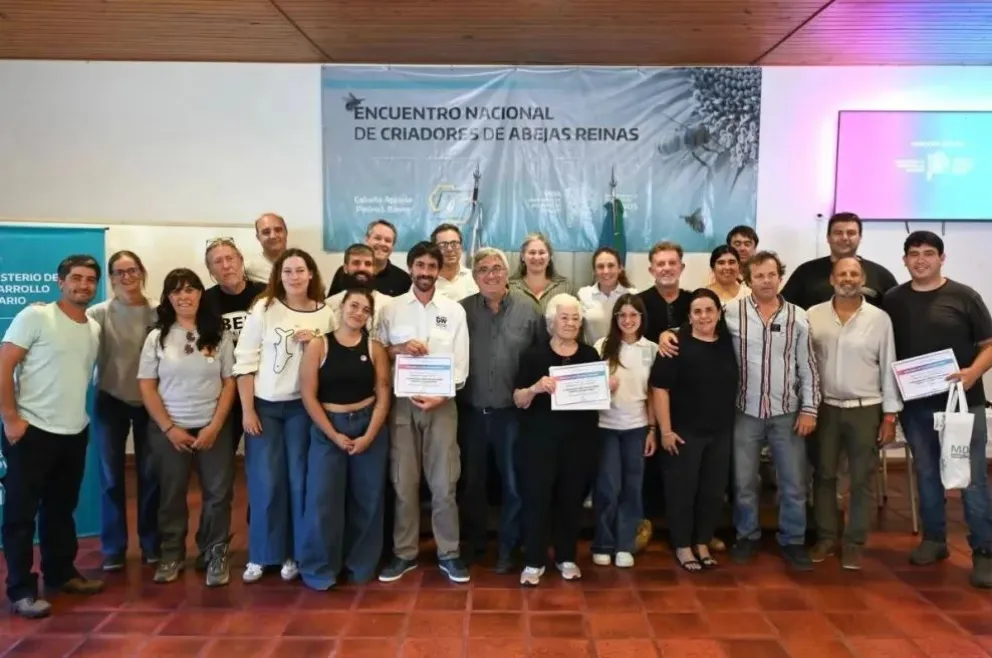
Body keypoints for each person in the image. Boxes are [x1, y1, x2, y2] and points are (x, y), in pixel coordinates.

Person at [660, 251, 821, 570]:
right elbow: (695, 325)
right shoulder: (731, 312)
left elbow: (808, 366)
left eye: (771, 274)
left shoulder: (798, 317)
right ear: (748, 279)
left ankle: (793, 540)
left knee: (793, 482)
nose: (765, 280)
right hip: (744, 411)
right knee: (744, 482)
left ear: (780, 277)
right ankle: (747, 535)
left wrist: (810, 409)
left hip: (786, 412)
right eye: (758, 275)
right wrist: (667, 334)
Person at [883, 231, 992, 588]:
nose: (921, 260)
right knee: (927, 475)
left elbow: (989, 345)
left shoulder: (964, 297)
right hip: (916, 407)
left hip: (963, 406)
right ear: (904, 260)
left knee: (972, 479)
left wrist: (973, 373)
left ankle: (984, 551)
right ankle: (934, 540)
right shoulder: (893, 300)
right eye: (914, 254)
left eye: (929, 253)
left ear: (942, 258)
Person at [0, 255, 105, 619]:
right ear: (60, 282)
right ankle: (21, 590)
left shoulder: (92, 328)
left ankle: (61, 574)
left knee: (61, 511)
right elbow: (4, 364)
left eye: (91, 279)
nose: (83, 285)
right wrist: (11, 418)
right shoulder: (36, 317)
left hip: (73, 432)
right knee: (20, 516)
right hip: (31, 432)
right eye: (76, 278)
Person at [234, 248, 333, 584]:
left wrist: (317, 343)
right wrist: (247, 409)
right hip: (265, 408)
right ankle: (262, 555)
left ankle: (293, 553)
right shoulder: (263, 308)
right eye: (287, 271)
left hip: (302, 410)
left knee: (298, 481)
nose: (294, 277)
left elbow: (330, 362)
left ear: (311, 274)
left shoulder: (325, 313)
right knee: (265, 482)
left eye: (300, 270)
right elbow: (244, 361)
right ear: (279, 276)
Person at [376, 241, 471, 584]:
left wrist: (441, 395)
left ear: (439, 270)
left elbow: (461, 364)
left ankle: (449, 552)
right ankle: (404, 553)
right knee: (404, 481)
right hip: (401, 405)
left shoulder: (454, 311)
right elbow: (378, 354)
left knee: (445, 481)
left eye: (432, 267)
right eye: (421, 266)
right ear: (411, 268)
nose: (426, 273)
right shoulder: (391, 309)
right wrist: (398, 348)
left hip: (442, 404)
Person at [138, 269, 236, 586]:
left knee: (218, 494)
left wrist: (215, 426)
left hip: (212, 428)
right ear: (168, 297)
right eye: (176, 291)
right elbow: (147, 386)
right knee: (171, 494)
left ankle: (214, 552)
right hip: (170, 430)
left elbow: (230, 383)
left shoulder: (218, 334)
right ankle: (171, 554)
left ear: (200, 295)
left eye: (191, 289)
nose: (184, 296)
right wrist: (169, 428)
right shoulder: (158, 337)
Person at [807, 257, 901, 570]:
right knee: (824, 475)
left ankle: (854, 542)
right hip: (826, 408)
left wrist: (890, 416)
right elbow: (805, 367)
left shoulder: (879, 319)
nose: (848, 278)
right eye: (842, 273)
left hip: (866, 408)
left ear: (862, 279)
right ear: (832, 279)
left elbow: (889, 367)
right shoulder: (813, 316)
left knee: (861, 479)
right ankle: (825, 536)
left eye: (854, 274)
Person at [298, 288, 392, 590]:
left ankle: (360, 567)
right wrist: (334, 435)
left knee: (368, 499)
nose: (358, 313)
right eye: (354, 306)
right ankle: (320, 569)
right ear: (341, 307)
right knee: (322, 500)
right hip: (329, 429)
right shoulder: (318, 345)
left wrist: (369, 435)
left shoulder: (375, 348)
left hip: (368, 426)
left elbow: (383, 395)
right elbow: (308, 396)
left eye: (365, 310)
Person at [459, 248, 544, 573]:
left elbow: (540, 358)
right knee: (471, 484)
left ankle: (508, 549)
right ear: (475, 275)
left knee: (513, 485)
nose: (491, 274)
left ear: (506, 273)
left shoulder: (528, 309)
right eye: (483, 269)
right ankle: (475, 545)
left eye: (497, 268)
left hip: (513, 416)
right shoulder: (462, 311)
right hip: (471, 414)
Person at [513, 294, 600, 586]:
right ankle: (534, 560)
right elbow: (518, 399)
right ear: (551, 322)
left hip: (578, 443)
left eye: (576, 318)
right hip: (539, 444)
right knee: (536, 499)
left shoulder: (590, 356)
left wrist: (606, 386)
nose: (571, 323)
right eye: (565, 317)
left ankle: (566, 557)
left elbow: (597, 399)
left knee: (570, 500)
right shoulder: (533, 355)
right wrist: (536, 388)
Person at [651, 289, 737, 572]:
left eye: (709, 310)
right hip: (683, 432)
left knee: (712, 491)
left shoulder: (727, 342)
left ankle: (702, 541)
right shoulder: (675, 343)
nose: (704, 316)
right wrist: (665, 431)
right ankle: (683, 546)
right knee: (682, 491)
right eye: (697, 311)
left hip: (721, 432)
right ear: (689, 316)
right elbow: (659, 388)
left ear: (719, 313)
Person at [87, 250, 160, 572]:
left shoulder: (159, 312)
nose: (126, 277)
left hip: (150, 403)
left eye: (132, 270)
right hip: (110, 400)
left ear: (142, 272)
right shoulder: (97, 314)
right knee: (111, 477)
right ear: (111, 278)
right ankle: (114, 547)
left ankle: (151, 544)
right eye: (119, 272)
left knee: (150, 475)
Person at [591, 293, 656, 569]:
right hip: (606, 427)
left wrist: (653, 429)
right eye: (622, 315)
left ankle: (625, 545)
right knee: (608, 487)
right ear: (615, 319)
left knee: (632, 487)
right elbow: (589, 388)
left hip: (637, 428)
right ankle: (603, 543)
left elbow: (655, 393)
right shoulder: (602, 346)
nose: (628, 320)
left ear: (641, 318)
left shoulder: (652, 349)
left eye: (633, 315)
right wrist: (605, 387)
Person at [781, 212, 897, 310]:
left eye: (851, 233)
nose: (844, 238)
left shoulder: (880, 276)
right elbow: (783, 311)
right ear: (828, 238)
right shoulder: (805, 273)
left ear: (860, 238)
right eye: (838, 233)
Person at [327, 219, 412, 297]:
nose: (382, 243)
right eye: (377, 238)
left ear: (393, 246)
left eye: (388, 240)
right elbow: (332, 306)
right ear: (367, 240)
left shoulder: (404, 280)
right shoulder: (344, 272)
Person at [326, 243, 392, 334]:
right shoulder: (330, 305)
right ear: (345, 268)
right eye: (356, 263)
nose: (362, 268)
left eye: (368, 264)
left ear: (374, 269)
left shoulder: (389, 304)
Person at [577, 247, 637, 346]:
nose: (606, 271)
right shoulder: (583, 294)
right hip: (594, 357)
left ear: (620, 268)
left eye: (611, 265)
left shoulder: (632, 295)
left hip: (624, 355)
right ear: (594, 271)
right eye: (600, 266)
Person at [508, 232, 574, 312]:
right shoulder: (510, 288)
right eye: (532, 252)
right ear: (522, 256)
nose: (537, 257)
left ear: (549, 257)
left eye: (542, 252)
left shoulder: (564, 287)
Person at [432, 223, 479, 302]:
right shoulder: (426, 281)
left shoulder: (475, 278)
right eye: (443, 245)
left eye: (454, 243)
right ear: (434, 249)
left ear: (461, 246)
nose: (449, 249)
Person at [245, 213, 289, 284]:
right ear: (258, 237)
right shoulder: (248, 268)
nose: (273, 236)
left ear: (286, 232)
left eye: (278, 230)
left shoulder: (303, 264)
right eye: (266, 232)